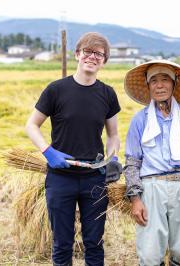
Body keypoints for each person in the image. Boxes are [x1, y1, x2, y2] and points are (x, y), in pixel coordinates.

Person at [25, 32, 122, 266]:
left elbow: (113, 134)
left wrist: (112, 157)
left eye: (99, 54)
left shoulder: (107, 94)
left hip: (94, 179)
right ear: (77, 54)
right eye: (87, 52)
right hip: (60, 179)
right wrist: (48, 151)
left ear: (104, 61)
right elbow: (31, 125)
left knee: (94, 242)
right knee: (62, 242)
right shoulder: (56, 90)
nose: (92, 57)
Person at [123, 60, 180, 266]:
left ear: (174, 84)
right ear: (148, 85)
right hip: (151, 188)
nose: (159, 85)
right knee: (151, 253)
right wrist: (135, 199)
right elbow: (132, 162)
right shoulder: (140, 120)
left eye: (165, 80)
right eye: (154, 80)